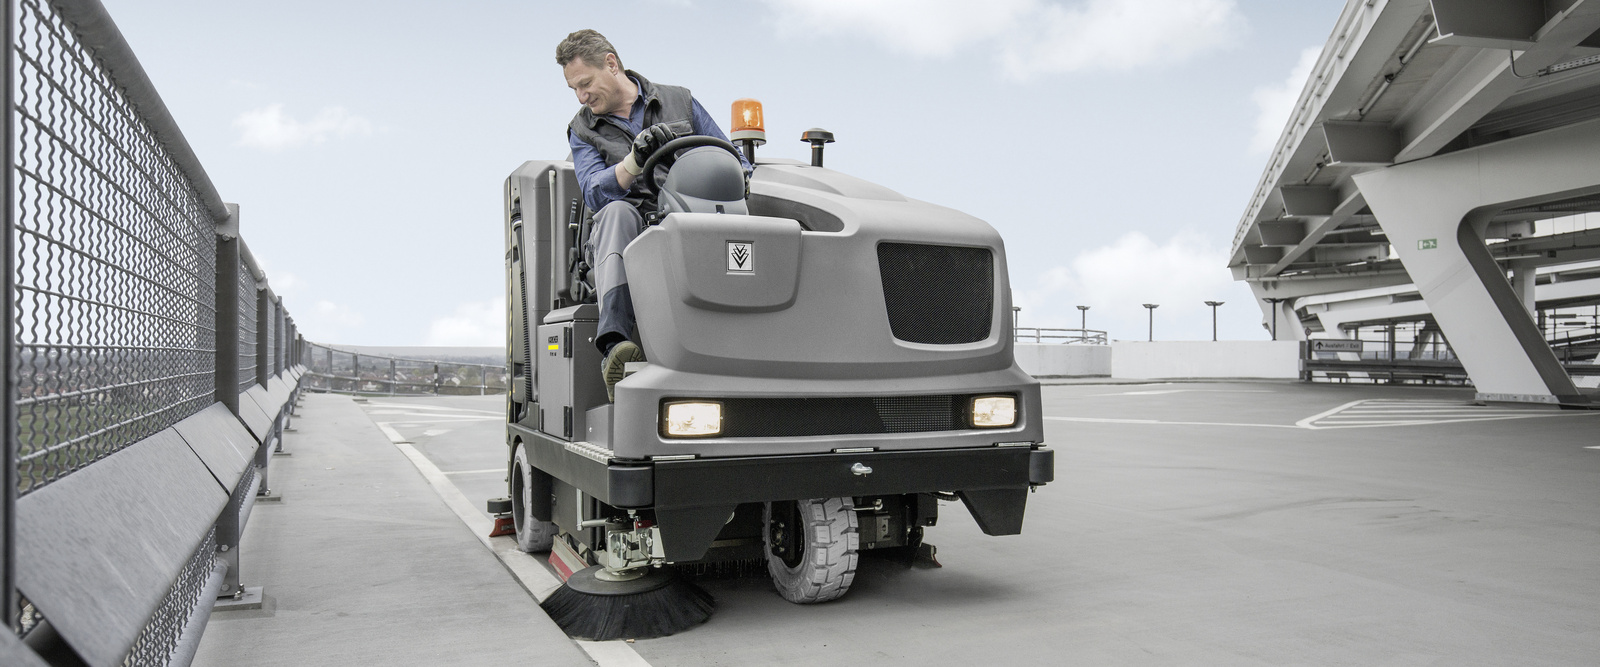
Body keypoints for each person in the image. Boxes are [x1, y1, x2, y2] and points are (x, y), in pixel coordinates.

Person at [556, 29, 748, 401]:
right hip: (630, 228)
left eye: (585, 83)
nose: (581, 96)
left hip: (690, 217)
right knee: (615, 212)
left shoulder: (680, 101)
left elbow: (734, 161)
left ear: (611, 64)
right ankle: (616, 348)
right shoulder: (583, 129)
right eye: (574, 90)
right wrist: (633, 162)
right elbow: (594, 192)